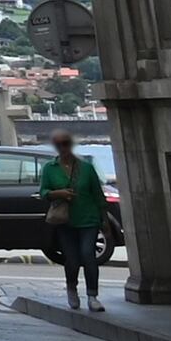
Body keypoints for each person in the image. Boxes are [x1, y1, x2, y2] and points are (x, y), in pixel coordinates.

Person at [39, 130, 114, 311]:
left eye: (65, 143)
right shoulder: (50, 168)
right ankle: (72, 289)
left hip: (88, 218)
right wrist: (58, 193)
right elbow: (43, 192)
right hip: (65, 220)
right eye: (59, 144)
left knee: (88, 254)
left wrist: (104, 220)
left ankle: (92, 295)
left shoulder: (86, 168)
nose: (63, 147)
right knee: (71, 259)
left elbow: (98, 194)